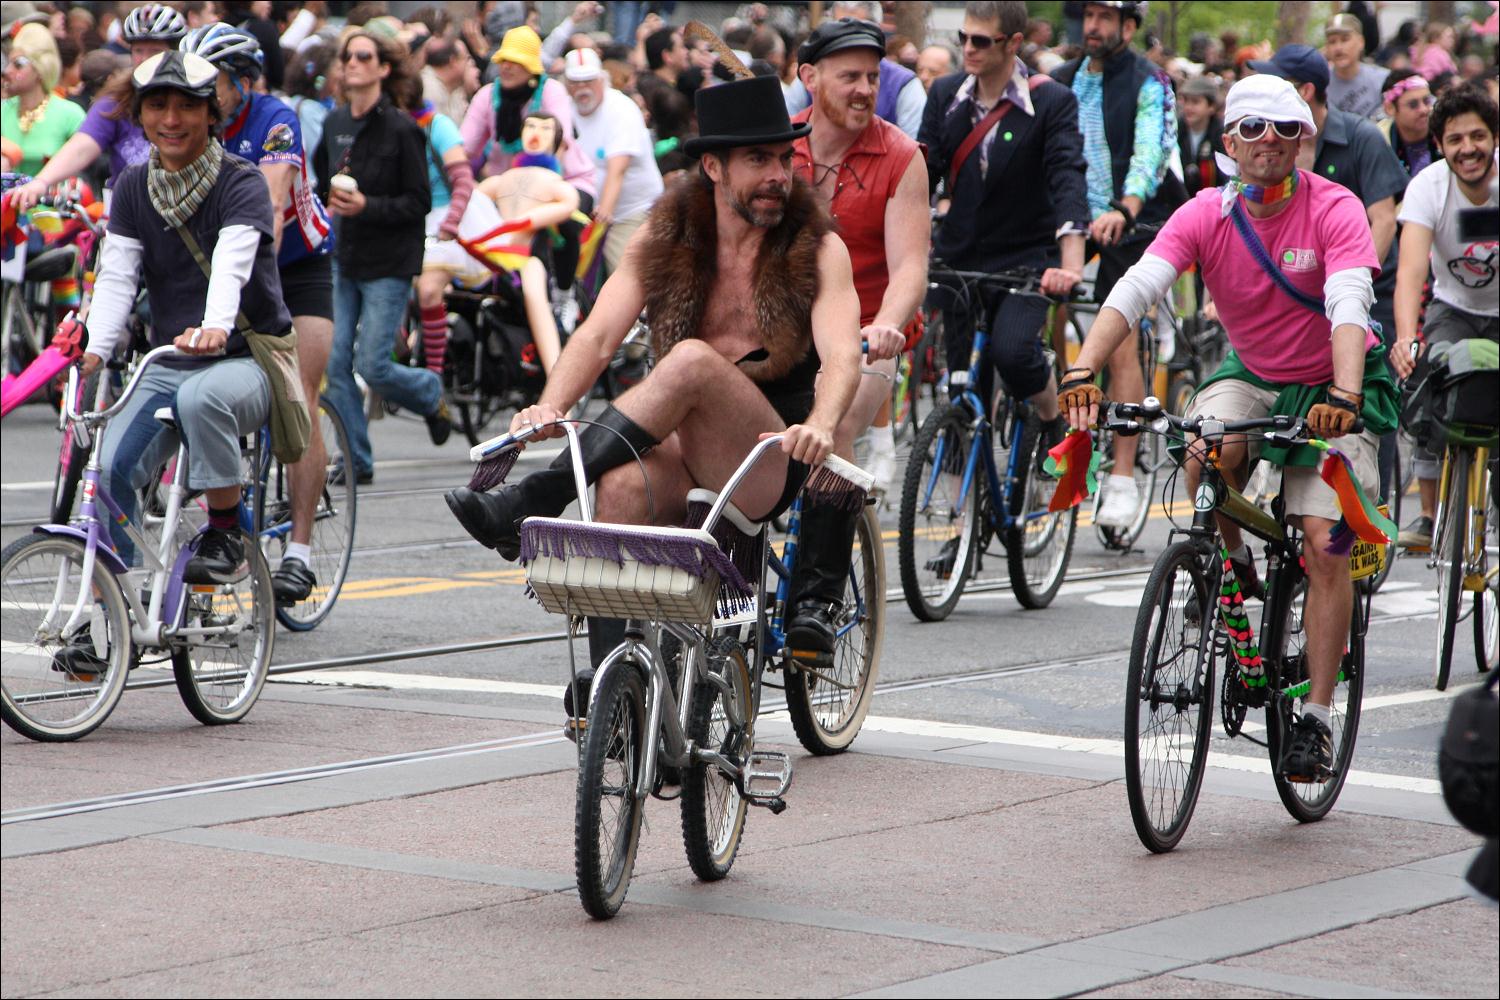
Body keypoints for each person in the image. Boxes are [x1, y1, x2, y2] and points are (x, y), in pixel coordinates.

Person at [446, 73, 861, 686]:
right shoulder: (666, 235)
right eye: (757, 159)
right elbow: (596, 334)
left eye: (782, 157)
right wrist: (548, 406)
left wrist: (822, 424)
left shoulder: (817, 247)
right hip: (674, 449)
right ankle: (620, 691)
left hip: (763, 457)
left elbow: (842, 353)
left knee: (692, 360)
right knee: (614, 495)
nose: (778, 174)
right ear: (714, 168)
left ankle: (537, 496)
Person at [1061, 74, 1396, 782]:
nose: (1265, 142)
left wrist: (1342, 391)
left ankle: (1316, 719)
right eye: (1250, 128)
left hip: (1336, 380)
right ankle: (1234, 575)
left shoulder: (1333, 207)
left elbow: (1348, 303)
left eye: (1282, 128)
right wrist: (1082, 368)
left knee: (1320, 539)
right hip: (1253, 371)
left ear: (1304, 138)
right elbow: (1139, 287)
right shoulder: (1204, 213)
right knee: (1202, 444)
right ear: (1226, 145)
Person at [81, 51, 292, 584]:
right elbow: (117, 277)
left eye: (185, 107)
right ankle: (117, 604)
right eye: (157, 106)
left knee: (203, 399)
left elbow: (232, 261)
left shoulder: (238, 181)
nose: (171, 120)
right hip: (169, 358)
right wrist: (94, 350)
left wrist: (216, 325)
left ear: (210, 114)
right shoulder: (130, 186)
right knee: (109, 469)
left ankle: (225, 532)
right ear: (140, 114)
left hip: (245, 358)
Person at [921, 1, 1088, 562]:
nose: (968, 49)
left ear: (1012, 43)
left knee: (1017, 354)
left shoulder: (1050, 102)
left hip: (1025, 258)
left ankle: (1049, 418)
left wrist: (1068, 262)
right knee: (958, 391)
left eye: (982, 41)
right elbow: (922, 175)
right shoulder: (946, 96)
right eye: (965, 38)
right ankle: (956, 527)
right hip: (960, 259)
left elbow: (1067, 179)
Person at [179, 23, 338, 605]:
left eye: (210, 84)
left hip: (296, 266)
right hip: (227, 269)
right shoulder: (189, 123)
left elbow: (271, 205)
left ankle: (298, 551)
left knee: (300, 394)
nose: (197, 94)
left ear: (242, 84)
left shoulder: (275, 118)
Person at [785, 17, 928, 653]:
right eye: (850, 77)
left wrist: (888, 325)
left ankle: (816, 599)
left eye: (873, 76)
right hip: (785, 335)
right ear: (809, 78)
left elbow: (911, 269)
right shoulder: (777, 151)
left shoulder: (901, 155)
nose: (866, 88)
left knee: (835, 419)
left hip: (867, 341)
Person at [1249, 45, 1408, 497]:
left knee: (1363, 400)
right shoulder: (1269, 147)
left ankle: (1368, 505)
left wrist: (1352, 283)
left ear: (1304, 92)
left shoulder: (1360, 137)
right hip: (1293, 295)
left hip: (1363, 291)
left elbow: (1382, 218)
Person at [1051, 0, 1186, 528]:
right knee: (1048, 305)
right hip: (1075, 217)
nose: (1093, 26)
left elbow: (1150, 152)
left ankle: (1124, 477)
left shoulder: (1151, 81)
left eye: (1105, 18)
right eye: (1087, 16)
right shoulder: (1062, 79)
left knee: (1120, 337)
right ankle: (1061, 423)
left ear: (1128, 27)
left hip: (1134, 219)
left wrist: (1124, 208)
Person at [314, 30, 444, 485]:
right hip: (343, 257)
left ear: (383, 68)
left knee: (372, 364)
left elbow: (420, 201)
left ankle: (429, 391)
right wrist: (325, 203)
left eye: (363, 56)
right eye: (347, 55)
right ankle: (356, 460)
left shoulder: (403, 129)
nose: (352, 63)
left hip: (389, 261)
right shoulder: (333, 124)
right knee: (334, 361)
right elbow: (317, 182)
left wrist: (369, 206)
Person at [1390, 85, 1499, 550]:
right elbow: (1411, 271)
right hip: (1452, 308)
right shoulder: (1427, 187)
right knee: (1424, 374)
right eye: (1455, 139)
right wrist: (1403, 339)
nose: (1468, 148)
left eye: (1478, 136)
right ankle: (1429, 511)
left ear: (1494, 138)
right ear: (1440, 145)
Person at [417, 111, 579, 379]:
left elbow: (569, 202)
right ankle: (416, 347)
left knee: (534, 288)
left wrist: (528, 220)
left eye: (545, 128)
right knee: (435, 277)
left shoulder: (553, 182)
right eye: (530, 126)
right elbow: (471, 197)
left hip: (523, 256)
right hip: (490, 254)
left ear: (559, 140)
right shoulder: (503, 179)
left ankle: (557, 377)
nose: (536, 133)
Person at [7, 4, 185, 213]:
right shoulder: (117, 101)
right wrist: (41, 181)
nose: (145, 59)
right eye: (138, 50)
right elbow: (83, 145)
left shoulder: (194, 101)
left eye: (155, 51)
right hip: (130, 219)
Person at [561, 48, 663, 273]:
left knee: (623, 272)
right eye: (575, 82)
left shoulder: (622, 109)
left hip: (630, 210)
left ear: (602, 79)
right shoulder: (563, 109)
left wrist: (604, 212)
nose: (582, 88)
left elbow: (617, 170)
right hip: (582, 211)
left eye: (588, 80)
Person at [783, 0, 925, 139]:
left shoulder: (904, 84)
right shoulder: (811, 78)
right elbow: (786, 132)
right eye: (839, 26)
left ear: (877, 29)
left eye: (873, 77)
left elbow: (913, 144)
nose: (865, 89)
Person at [2, 25, 86, 179]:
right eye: (9, 63)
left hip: (52, 202)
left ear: (40, 69)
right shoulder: (2, 112)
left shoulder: (70, 115)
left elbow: (85, 172)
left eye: (18, 64)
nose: (7, 71)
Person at [1323, 12, 1388, 120]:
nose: (1338, 47)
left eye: (1345, 39)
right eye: (1332, 41)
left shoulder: (1383, 80)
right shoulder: (1319, 85)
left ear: (1361, 42)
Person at [1378, 69, 1440, 179]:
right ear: (1390, 108)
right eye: (1413, 104)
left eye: (1426, 101)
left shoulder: (1445, 132)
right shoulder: (1379, 142)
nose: (1424, 110)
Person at [1177, 74, 1226, 196]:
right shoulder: (1176, 130)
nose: (1188, 107)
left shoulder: (1221, 135)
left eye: (1195, 102)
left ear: (1211, 107)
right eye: (1186, 101)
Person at [421, 37, 478, 126]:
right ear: (453, 61)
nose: (470, 63)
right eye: (466, 58)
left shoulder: (455, 90)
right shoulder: (427, 89)